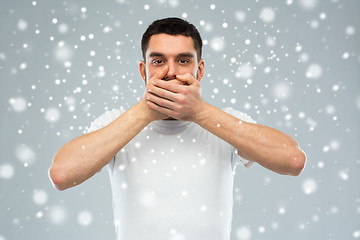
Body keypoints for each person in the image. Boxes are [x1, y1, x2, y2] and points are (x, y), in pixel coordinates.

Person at [49, 17, 306, 240]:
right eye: (158, 62)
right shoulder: (116, 122)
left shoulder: (224, 122)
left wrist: (201, 113)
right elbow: (61, 174)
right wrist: (145, 112)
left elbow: (293, 160)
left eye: (183, 60)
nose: (170, 72)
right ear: (143, 71)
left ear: (200, 70)